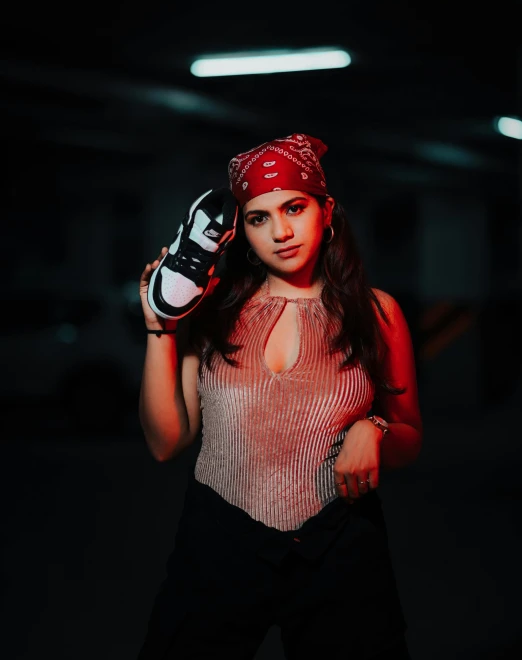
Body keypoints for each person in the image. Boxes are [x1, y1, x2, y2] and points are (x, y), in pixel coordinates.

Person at [136, 133, 423, 659]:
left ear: (326, 210)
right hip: (218, 537)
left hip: (338, 542)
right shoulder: (214, 306)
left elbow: (410, 436)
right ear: (242, 230)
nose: (282, 232)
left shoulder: (377, 313)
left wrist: (375, 429)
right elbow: (166, 442)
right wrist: (161, 330)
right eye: (259, 217)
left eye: (294, 207)